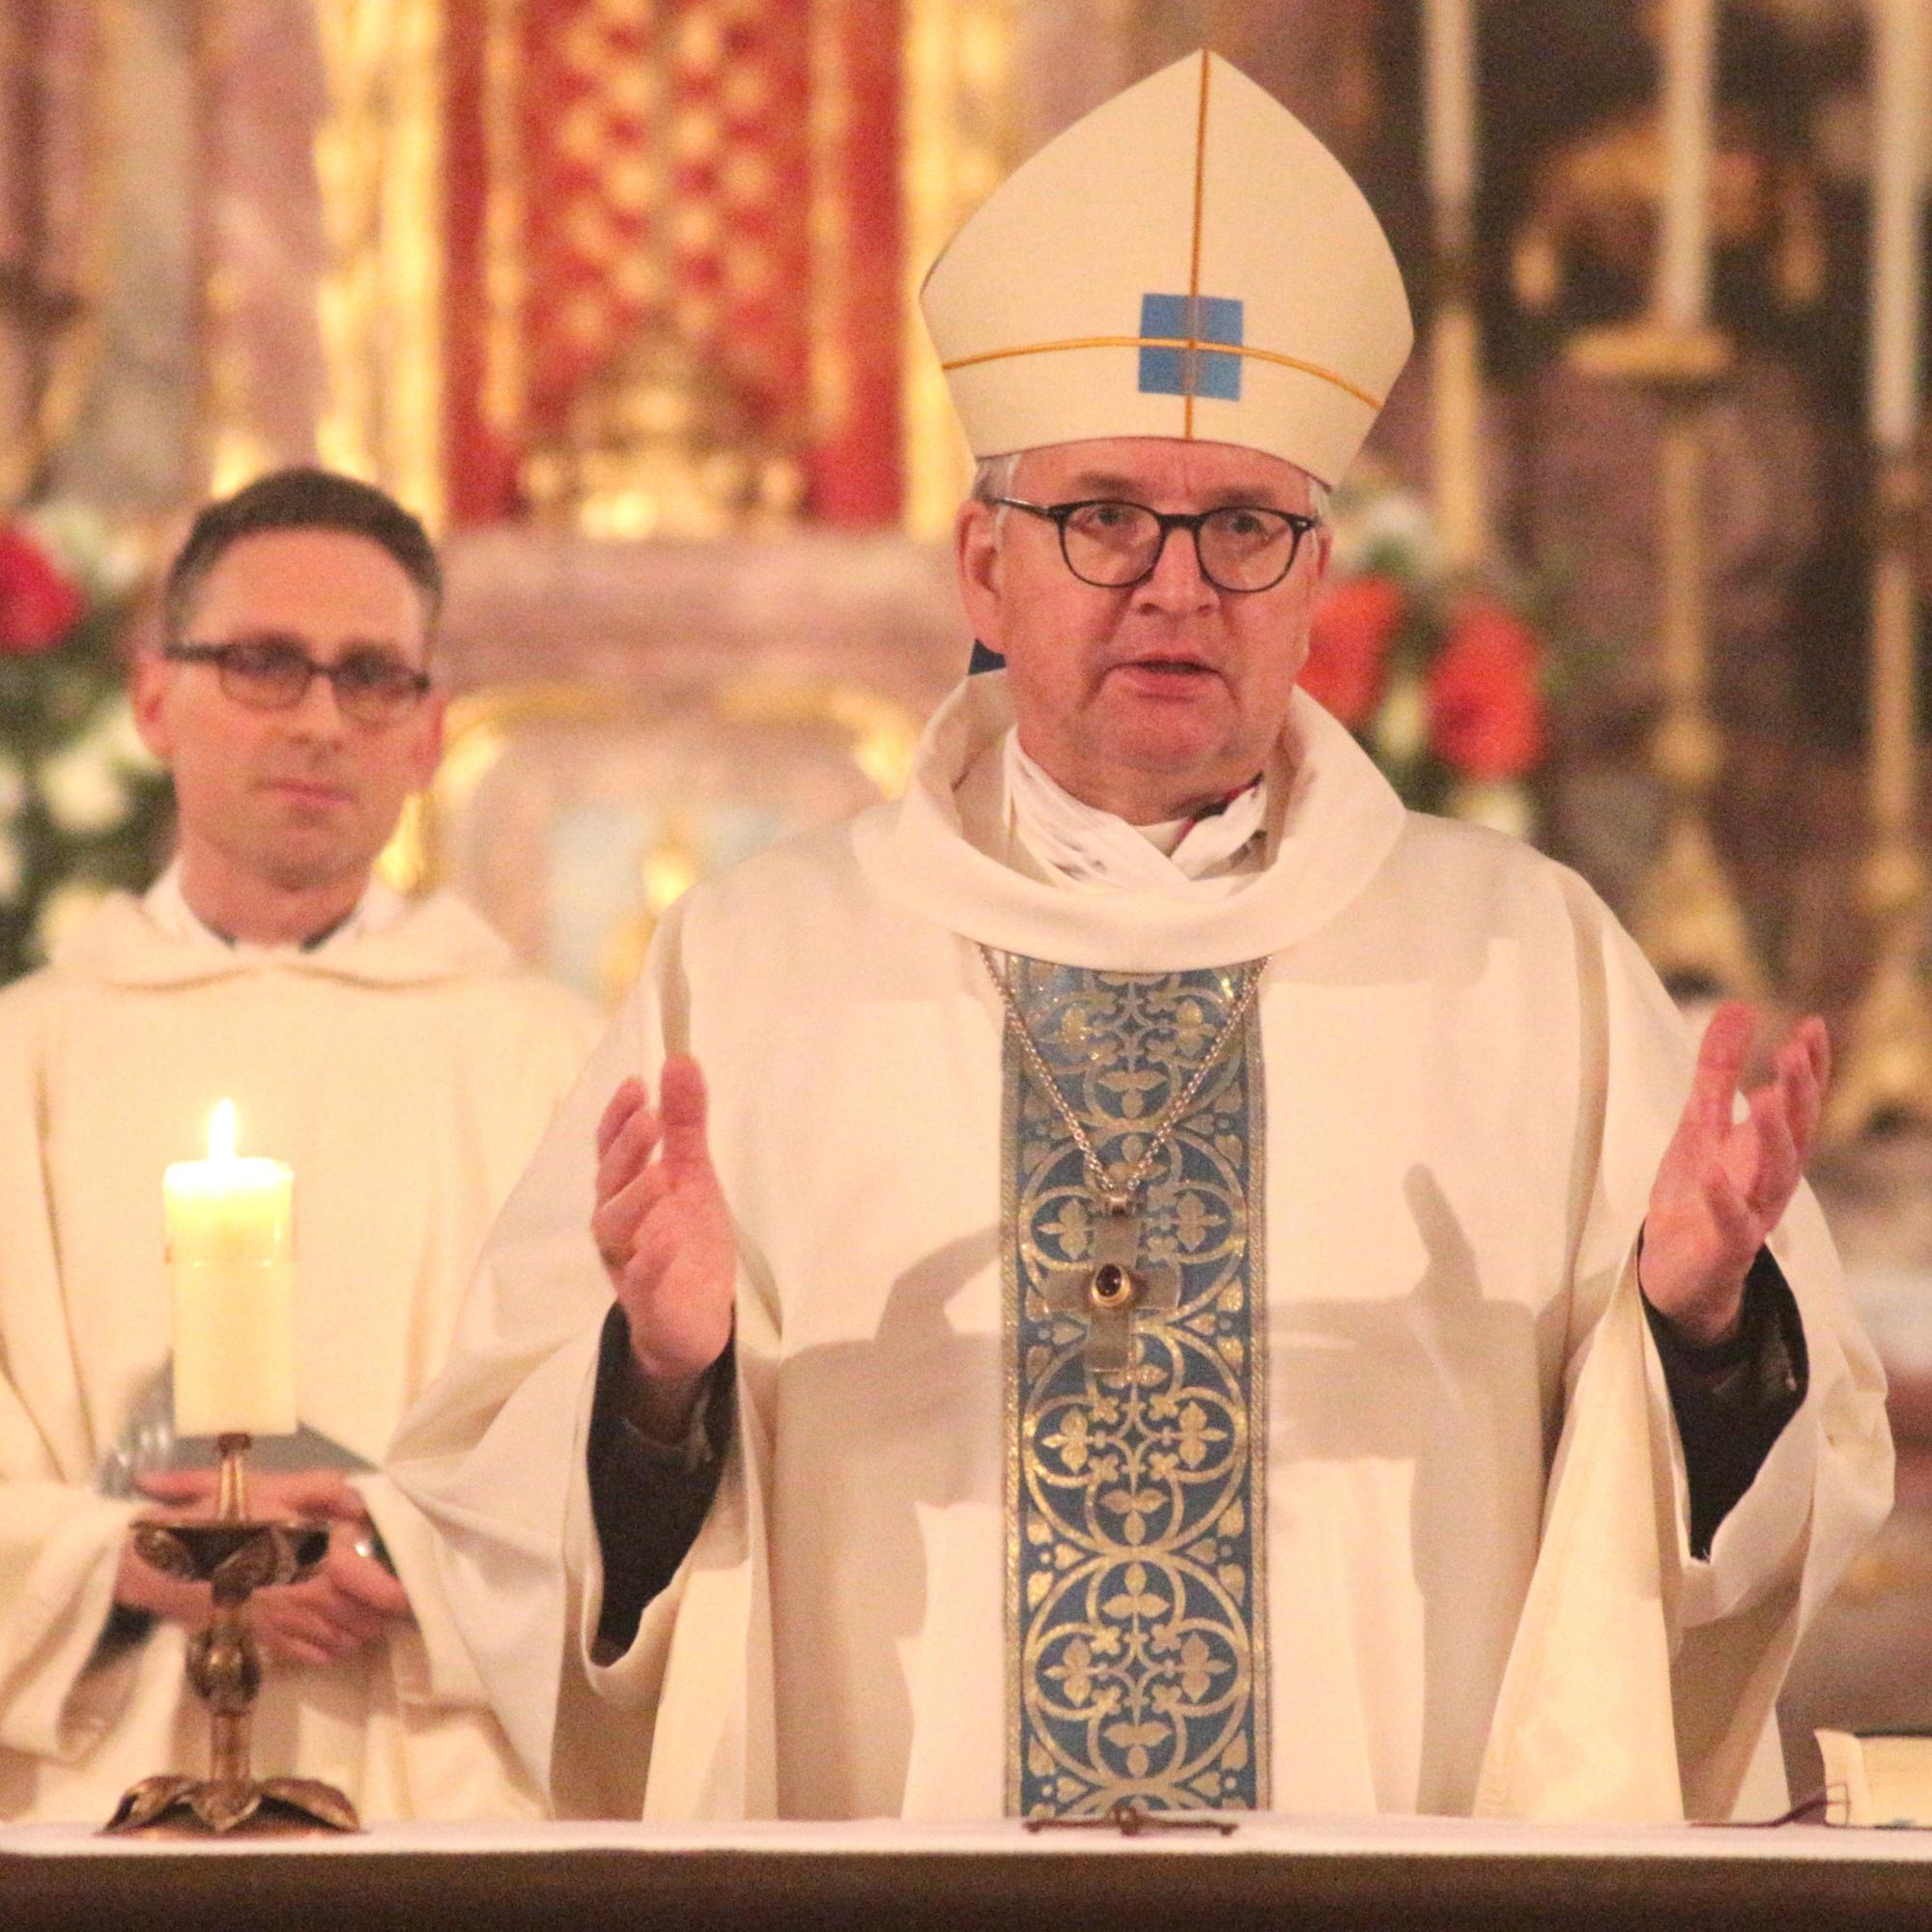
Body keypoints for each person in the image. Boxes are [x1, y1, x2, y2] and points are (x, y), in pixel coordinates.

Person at [388, 53, 1889, 1825]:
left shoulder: (1525, 961)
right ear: (983, 566)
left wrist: (1704, 1330)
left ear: (1318, 581)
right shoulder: (763, 967)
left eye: (1244, 525)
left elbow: (1754, 1529)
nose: (1175, 584)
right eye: (1103, 517)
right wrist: (657, 1377)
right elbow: (504, 1535)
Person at [0, 469, 600, 1824]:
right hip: (86, 1798)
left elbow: (628, 1447)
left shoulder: (549, 1063)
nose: (323, 722)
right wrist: (115, 1562)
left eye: (372, 676)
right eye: (266, 666)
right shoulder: (20, 1060)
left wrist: (414, 1549)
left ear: (430, 730)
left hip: (440, 1791)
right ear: (156, 698)